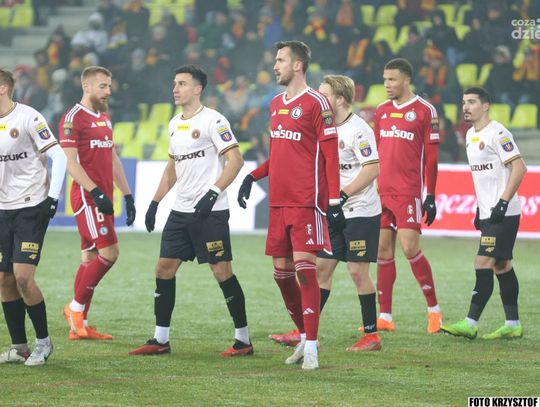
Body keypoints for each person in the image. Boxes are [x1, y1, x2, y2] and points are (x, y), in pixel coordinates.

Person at [129, 65, 253, 358]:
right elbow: (172, 168)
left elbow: (236, 160)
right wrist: (155, 203)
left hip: (211, 212)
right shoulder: (174, 123)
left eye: (182, 84)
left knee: (221, 271)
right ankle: (160, 339)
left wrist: (213, 193)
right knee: (163, 269)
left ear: (197, 89)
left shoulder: (214, 120)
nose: (175, 89)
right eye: (175, 83)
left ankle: (243, 340)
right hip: (180, 211)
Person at [237, 41, 344, 370]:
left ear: (298, 65)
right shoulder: (275, 104)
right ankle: (304, 336)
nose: (275, 66)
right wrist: (252, 176)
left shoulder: (317, 103)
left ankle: (311, 347)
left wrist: (334, 200)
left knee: (304, 269)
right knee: (281, 274)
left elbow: (330, 154)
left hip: (305, 201)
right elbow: (280, 153)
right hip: (278, 202)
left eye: (281, 60)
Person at [269, 75, 383, 352]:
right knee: (321, 270)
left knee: (357, 271)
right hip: (333, 212)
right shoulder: (321, 125)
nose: (318, 99)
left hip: (360, 211)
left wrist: (342, 194)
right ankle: (305, 332)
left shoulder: (359, 129)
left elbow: (372, 168)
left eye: (324, 95)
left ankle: (371, 336)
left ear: (339, 99)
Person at [441, 87, 527, 340]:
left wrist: (503, 202)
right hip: (489, 212)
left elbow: (519, 168)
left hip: (504, 212)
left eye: (472, 102)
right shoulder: (470, 135)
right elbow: (485, 178)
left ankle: (470, 323)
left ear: (486, 106)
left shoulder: (498, 133)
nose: (466, 107)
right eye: (463, 102)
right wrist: (481, 209)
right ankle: (512, 324)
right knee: (502, 265)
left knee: (482, 262)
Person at [59, 66, 136, 340]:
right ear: (87, 86)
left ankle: (80, 326)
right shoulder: (72, 118)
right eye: (103, 86)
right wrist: (96, 192)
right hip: (87, 197)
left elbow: (113, 159)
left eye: (109, 86)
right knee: (110, 253)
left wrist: (127, 194)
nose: (108, 92)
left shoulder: (104, 118)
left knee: (90, 257)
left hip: (104, 197)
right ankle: (75, 308)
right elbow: (69, 163)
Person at [0, 68, 67, 365]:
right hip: (2, 210)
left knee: (23, 277)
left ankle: (43, 343)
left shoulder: (29, 117)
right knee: (4, 279)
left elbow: (59, 155)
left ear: (3, 88)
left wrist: (52, 198)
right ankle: (20, 347)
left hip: (30, 207)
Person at [374, 58, 442, 334]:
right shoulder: (381, 111)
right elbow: (376, 152)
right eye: (385, 79)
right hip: (381, 192)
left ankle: (434, 312)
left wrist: (431, 195)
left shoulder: (424, 110)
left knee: (410, 248)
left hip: (407, 192)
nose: (387, 84)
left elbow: (432, 159)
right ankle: (385, 317)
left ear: (406, 80)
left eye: (392, 79)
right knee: (382, 251)